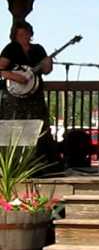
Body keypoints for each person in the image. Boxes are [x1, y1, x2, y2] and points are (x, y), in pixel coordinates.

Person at [0, 20, 59, 168]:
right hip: (15, 96)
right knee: (14, 127)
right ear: (15, 35)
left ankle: (40, 162)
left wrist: (48, 63)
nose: (23, 36)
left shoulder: (38, 49)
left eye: (26, 33)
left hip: (35, 95)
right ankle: (12, 163)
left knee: (39, 125)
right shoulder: (11, 48)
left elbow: (46, 71)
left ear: (31, 34)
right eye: (20, 34)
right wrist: (17, 77)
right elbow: (1, 69)